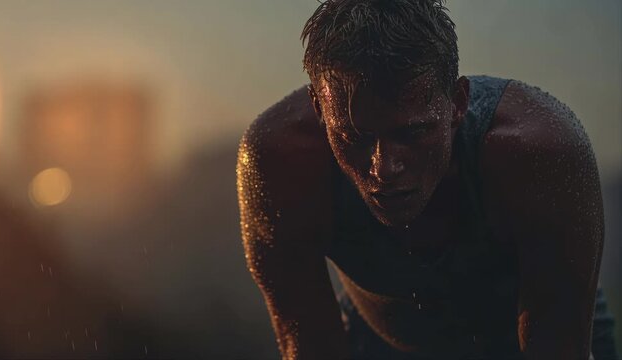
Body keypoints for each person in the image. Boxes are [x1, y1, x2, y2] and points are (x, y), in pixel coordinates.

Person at [236, 1, 619, 359]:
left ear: (457, 102)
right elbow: (312, 347)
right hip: (379, 340)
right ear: (320, 108)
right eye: (355, 137)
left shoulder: (539, 157)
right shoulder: (282, 162)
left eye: (412, 133)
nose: (383, 168)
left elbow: (559, 344)